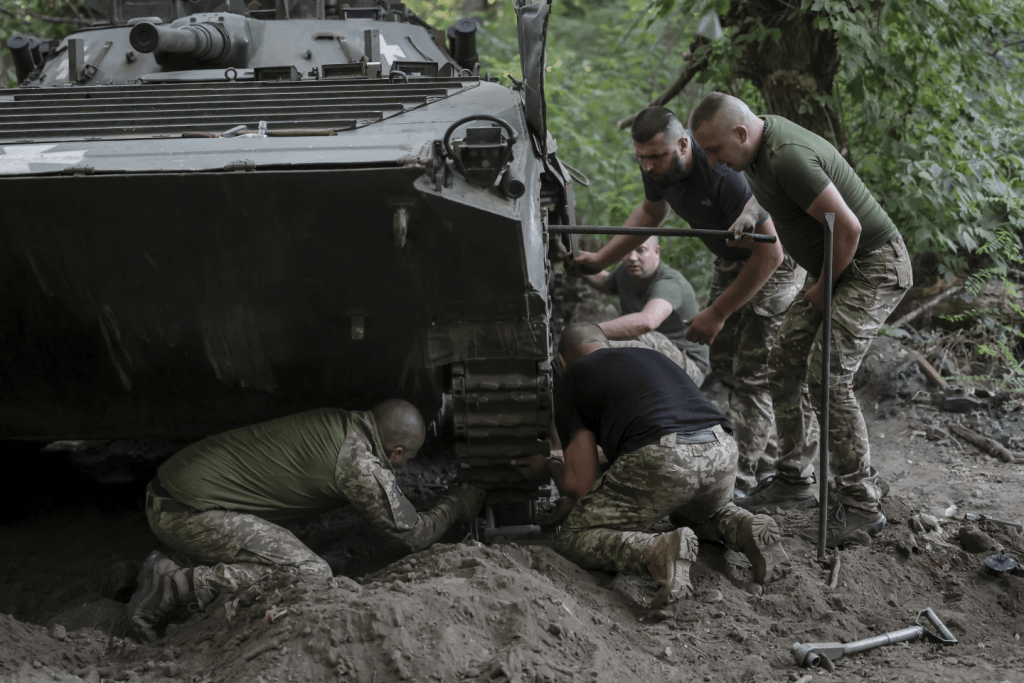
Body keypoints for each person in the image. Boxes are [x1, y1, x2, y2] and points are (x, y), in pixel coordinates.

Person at [688, 93, 913, 546]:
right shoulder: (756, 147)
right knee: (784, 363)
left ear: (740, 132)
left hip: (873, 265)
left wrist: (821, 288)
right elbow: (765, 192)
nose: (711, 163)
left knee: (827, 377)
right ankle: (794, 479)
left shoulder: (786, 156)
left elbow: (847, 227)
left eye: (713, 151)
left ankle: (862, 503)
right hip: (840, 268)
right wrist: (749, 213)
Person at [574, 106, 805, 493]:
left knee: (754, 376)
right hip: (731, 261)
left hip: (774, 267)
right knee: (727, 368)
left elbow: (772, 254)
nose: (647, 167)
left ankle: (743, 481)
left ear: (684, 144)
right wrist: (599, 259)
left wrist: (717, 312)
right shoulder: (659, 170)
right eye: (641, 158)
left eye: (656, 156)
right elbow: (650, 213)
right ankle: (763, 465)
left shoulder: (723, 173)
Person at [125, 400, 484, 642]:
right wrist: (456, 505)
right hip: (186, 513)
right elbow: (410, 536)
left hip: (170, 494)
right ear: (397, 452)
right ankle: (178, 583)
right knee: (310, 571)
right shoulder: (358, 463)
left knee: (277, 549)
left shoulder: (342, 422)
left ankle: (140, 576)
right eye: (404, 461)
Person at [515, 324, 790, 608]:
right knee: (692, 513)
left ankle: (654, 551)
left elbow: (579, 485)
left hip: (663, 456)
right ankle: (743, 527)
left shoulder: (573, 376)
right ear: (608, 344)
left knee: (574, 536)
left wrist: (548, 466)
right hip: (720, 447)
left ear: (561, 361)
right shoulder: (651, 356)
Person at [580, 236, 709, 387]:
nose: (632, 258)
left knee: (632, 334)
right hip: (654, 357)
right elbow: (605, 282)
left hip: (689, 367)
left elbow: (646, 322)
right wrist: (578, 263)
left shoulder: (670, 283)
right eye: (626, 251)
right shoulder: (626, 272)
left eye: (641, 250)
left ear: (657, 252)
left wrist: (589, 331)